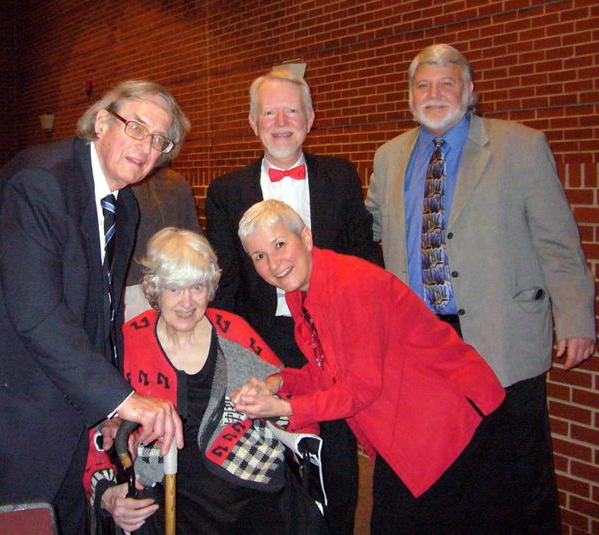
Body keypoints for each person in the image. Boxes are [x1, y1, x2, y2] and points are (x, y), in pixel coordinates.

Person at [365, 43, 596, 533]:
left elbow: (557, 240)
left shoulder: (521, 146)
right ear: (409, 95)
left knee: (512, 481)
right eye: (423, 85)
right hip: (418, 343)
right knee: (429, 474)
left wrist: (576, 317)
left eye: (447, 83)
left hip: (501, 338)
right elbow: (371, 234)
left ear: (469, 91)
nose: (435, 94)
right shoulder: (388, 158)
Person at [0, 80, 189, 534]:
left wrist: (108, 409)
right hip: (7, 417)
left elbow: (101, 318)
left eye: (161, 140)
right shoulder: (39, 183)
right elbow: (37, 315)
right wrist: (125, 400)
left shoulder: (124, 206)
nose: (148, 148)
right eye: (138, 128)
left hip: (63, 416)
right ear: (101, 123)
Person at [233, 199, 517, 534]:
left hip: (453, 423)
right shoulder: (303, 292)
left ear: (306, 238)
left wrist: (286, 407)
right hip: (410, 428)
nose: (274, 263)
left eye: (280, 244)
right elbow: (330, 370)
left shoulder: (352, 285)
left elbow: (360, 388)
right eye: (260, 256)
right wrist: (277, 383)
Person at [205, 68, 381, 535]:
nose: (280, 121)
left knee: (338, 458)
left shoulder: (341, 178)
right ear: (252, 121)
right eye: (269, 112)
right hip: (261, 339)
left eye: (291, 111)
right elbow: (224, 282)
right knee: (268, 460)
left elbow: (364, 259)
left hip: (332, 336)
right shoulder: (227, 190)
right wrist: (233, 354)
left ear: (310, 118)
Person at [84, 228, 328, 535]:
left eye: (197, 287)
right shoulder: (128, 342)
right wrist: (106, 493)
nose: (187, 302)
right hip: (166, 486)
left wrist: (275, 405)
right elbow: (91, 428)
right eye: (174, 289)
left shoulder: (233, 331)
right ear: (155, 290)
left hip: (245, 478)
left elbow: (287, 391)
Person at [124, 167, 200, 321]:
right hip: (162, 285)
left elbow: (194, 242)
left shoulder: (175, 184)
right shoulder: (176, 182)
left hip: (162, 285)